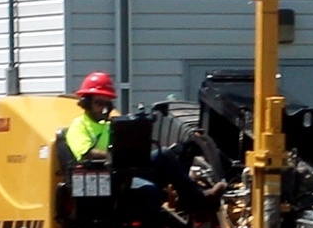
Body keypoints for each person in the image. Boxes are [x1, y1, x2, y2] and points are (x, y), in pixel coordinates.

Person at [65, 71, 224, 215]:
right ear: (85, 103)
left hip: (127, 169)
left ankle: (198, 200)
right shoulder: (79, 126)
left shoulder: (113, 124)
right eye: (99, 103)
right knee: (150, 191)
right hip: (105, 180)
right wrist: (114, 157)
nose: (104, 109)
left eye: (107, 105)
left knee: (166, 155)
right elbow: (86, 153)